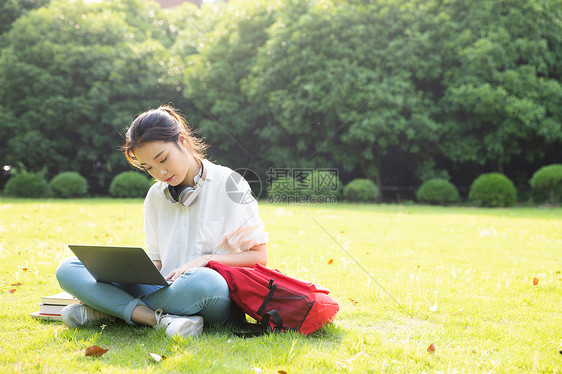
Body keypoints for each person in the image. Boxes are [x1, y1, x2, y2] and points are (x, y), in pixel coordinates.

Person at [56, 105, 268, 338]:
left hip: (210, 294)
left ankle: (110, 310)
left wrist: (205, 260)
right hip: (166, 290)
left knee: (204, 281)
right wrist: (126, 273)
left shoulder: (230, 184)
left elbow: (259, 257)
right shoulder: (156, 196)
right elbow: (157, 261)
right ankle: (156, 319)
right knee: (68, 269)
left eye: (163, 159)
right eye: (149, 168)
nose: (160, 173)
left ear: (183, 141)